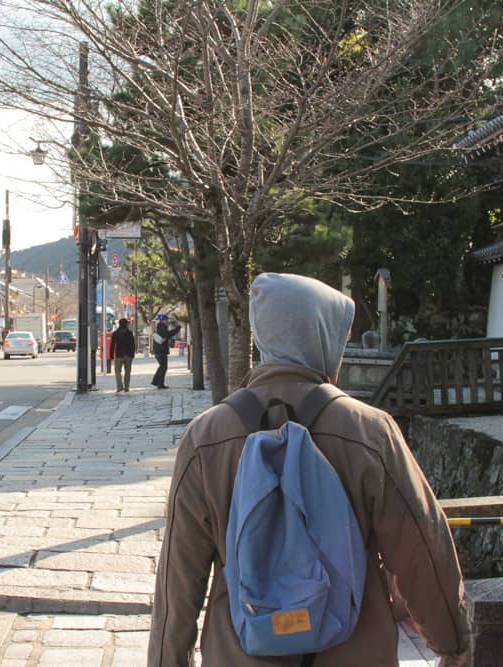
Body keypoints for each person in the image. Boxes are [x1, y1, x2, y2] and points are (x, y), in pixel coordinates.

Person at [148, 273, 469, 667]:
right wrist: (450, 643)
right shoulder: (368, 431)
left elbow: (177, 580)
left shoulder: (207, 437)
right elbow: (421, 549)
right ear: (324, 337)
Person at [151, 313, 180, 389]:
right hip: (160, 351)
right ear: (162, 320)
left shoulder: (161, 327)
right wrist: (177, 329)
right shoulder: (162, 328)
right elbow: (168, 335)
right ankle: (159, 383)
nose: (167, 321)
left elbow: (167, 335)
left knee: (162, 366)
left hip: (159, 350)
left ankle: (156, 382)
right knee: (163, 367)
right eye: (165, 320)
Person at [109, 318, 136, 393]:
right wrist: (132, 354)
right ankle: (126, 387)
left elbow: (112, 345)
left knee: (117, 371)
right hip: (128, 355)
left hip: (119, 355)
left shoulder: (115, 333)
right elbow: (133, 344)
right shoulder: (129, 333)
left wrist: (111, 355)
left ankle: (119, 386)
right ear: (126, 324)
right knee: (127, 371)